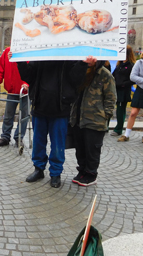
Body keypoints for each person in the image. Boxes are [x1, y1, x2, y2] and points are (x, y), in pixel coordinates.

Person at [15, 52, 95, 188]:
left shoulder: (69, 56)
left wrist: (83, 64)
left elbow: (76, 79)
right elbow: (28, 76)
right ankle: (38, 169)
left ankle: (55, 173)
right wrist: (20, 61)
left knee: (58, 145)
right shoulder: (40, 55)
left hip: (60, 108)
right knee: (38, 142)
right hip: (40, 105)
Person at [70, 61, 116, 186]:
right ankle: (82, 170)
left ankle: (91, 174)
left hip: (95, 120)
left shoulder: (104, 74)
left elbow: (111, 97)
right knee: (80, 148)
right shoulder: (80, 71)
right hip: (78, 118)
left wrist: (105, 116)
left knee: (92, 149)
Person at [0, 46, 29, 149]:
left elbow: (32, 70)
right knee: (8, 115)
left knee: (24, 116)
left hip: (25, 91)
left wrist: (27, 83)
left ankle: (19, 137)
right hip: (12, 90)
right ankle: (5, 136)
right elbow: (1, 68)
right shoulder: (7, 51)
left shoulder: (28, 50)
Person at [110, 45, 135, 136]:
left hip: (123, 91)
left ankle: (119, 129)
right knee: (111, 108)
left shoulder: (131, 66)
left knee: (120, 110)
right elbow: (113, 75)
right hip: (115, 89)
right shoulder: (119, 64)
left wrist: (123, 84)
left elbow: (133, 79)